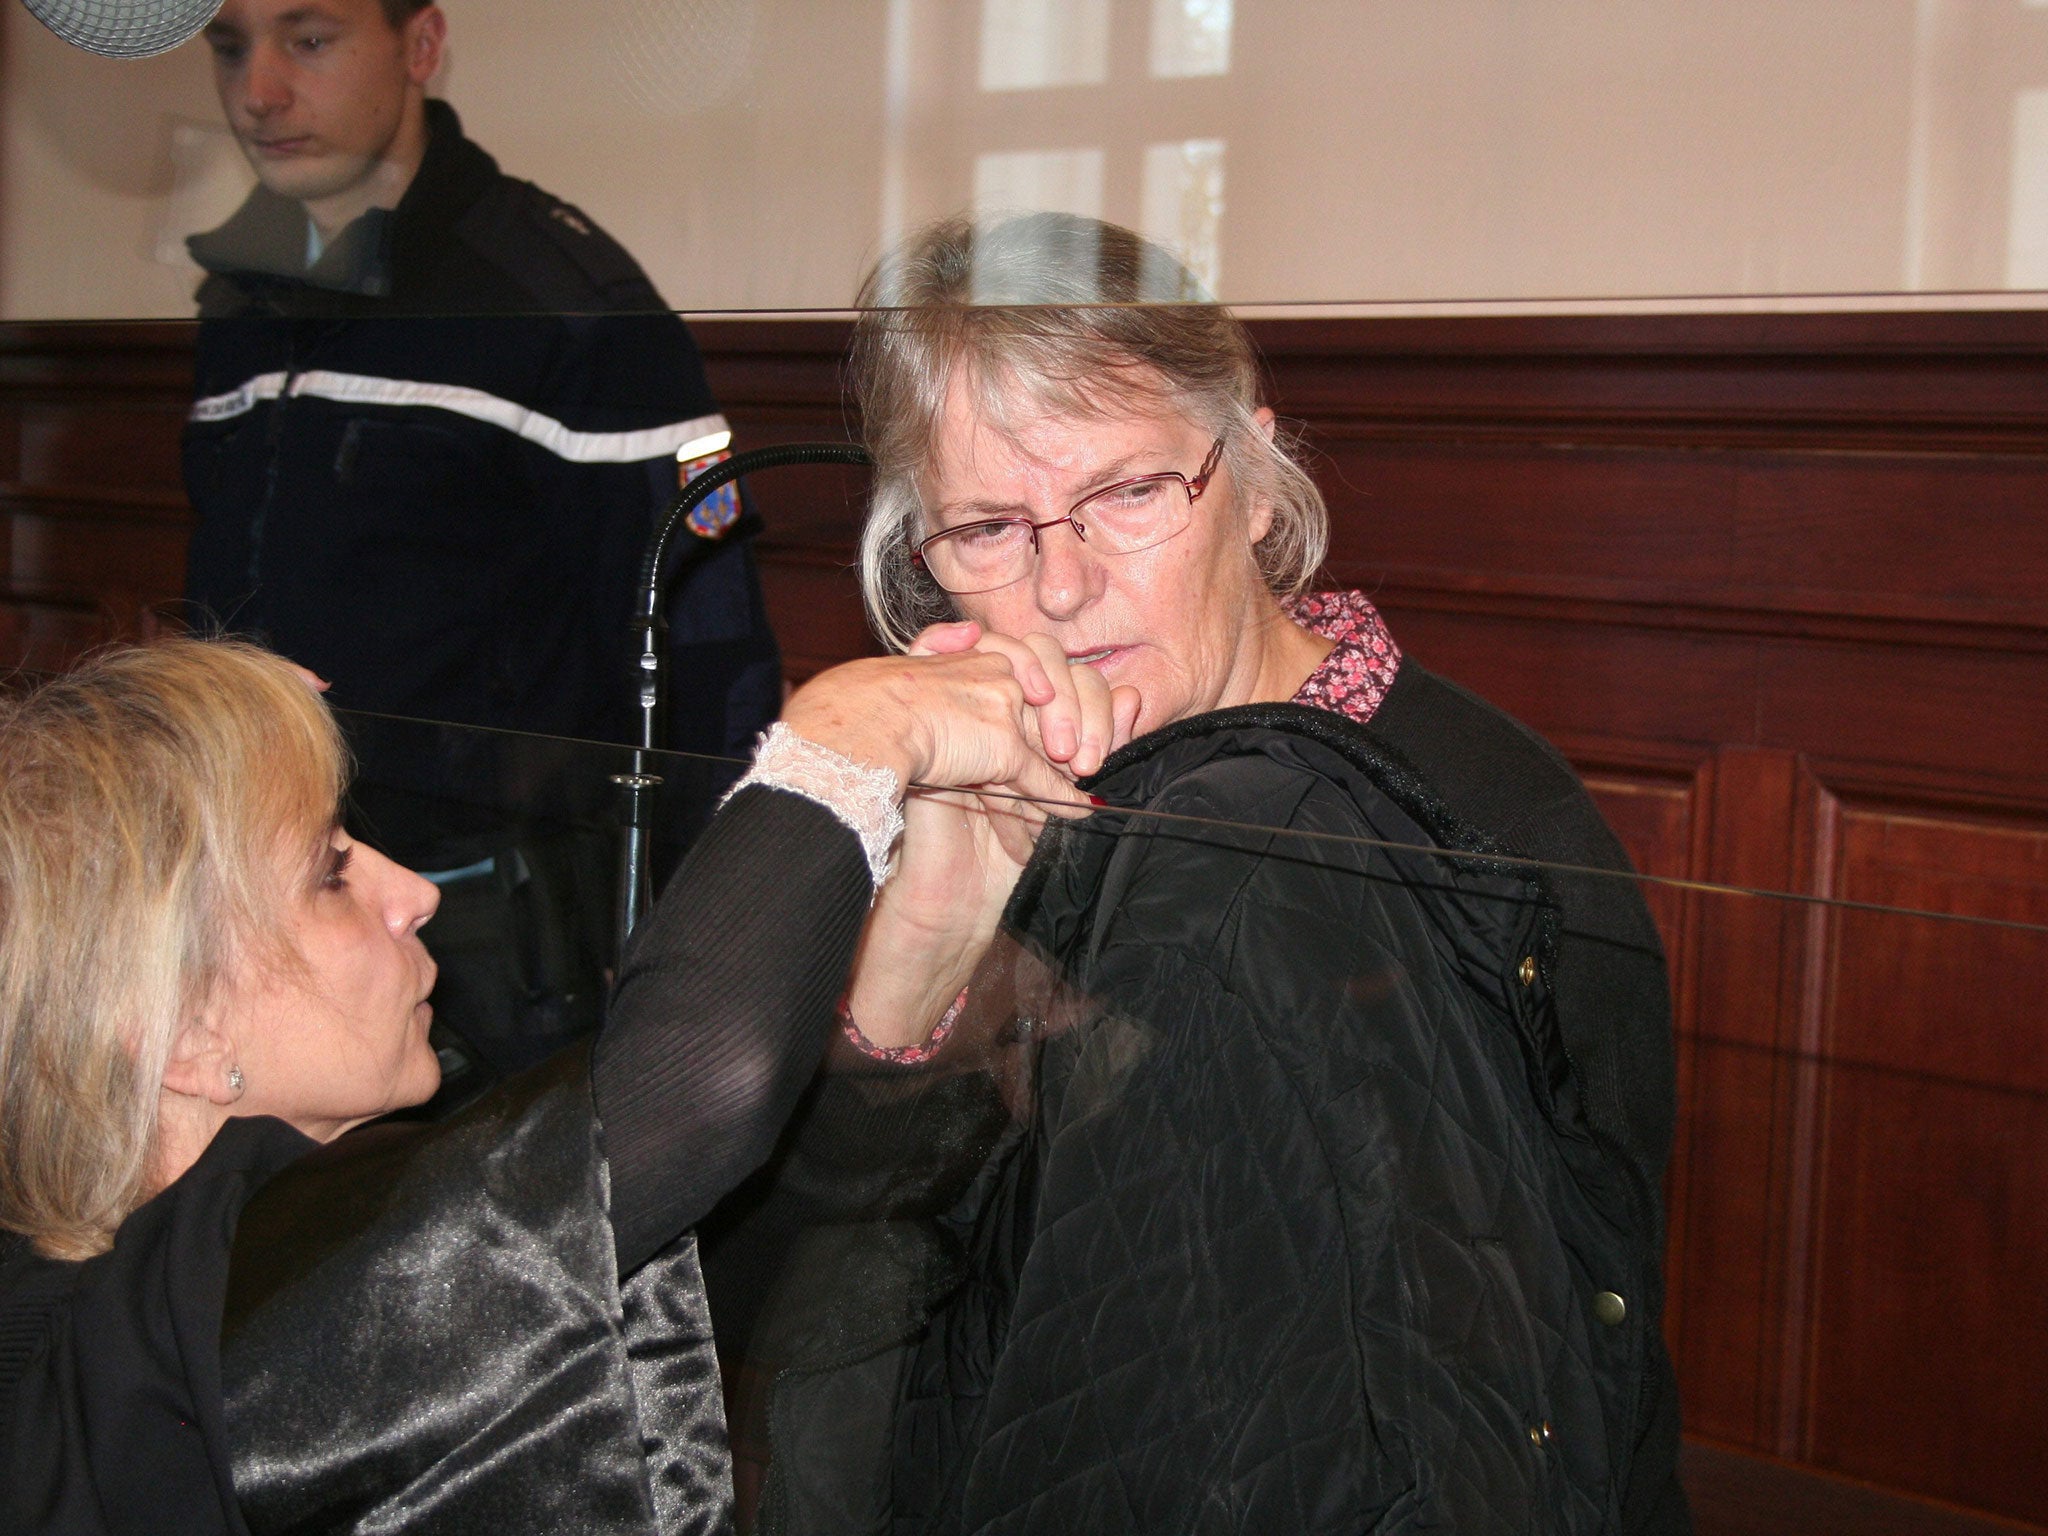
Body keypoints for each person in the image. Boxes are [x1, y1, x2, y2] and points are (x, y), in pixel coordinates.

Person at [705, 213, 1689, 1535]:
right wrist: (928, 932)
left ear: (1260, 474)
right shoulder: (964, 784)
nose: (1062, 585)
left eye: (1125, 494)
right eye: (989, 526)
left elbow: (1526, 1365)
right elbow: (794, 1303)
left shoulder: (1462, 813)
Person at [0, 633, 1133, 1535]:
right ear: (186, 1030)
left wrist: (921, 931)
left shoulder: (206, 1276)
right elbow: (698, 1090)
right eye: (330, 872)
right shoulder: (150, 1331)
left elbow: (700, 1269)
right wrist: (850, 735)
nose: (413, 892)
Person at [179, 0, 785, 1093]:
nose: (257, 90)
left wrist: (705, 962)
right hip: (262, 895)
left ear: (419, 46)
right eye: (230, 46)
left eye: (306, 40)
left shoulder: (563, 303)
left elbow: (711, 666)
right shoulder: (241, 293)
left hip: (492, 933)